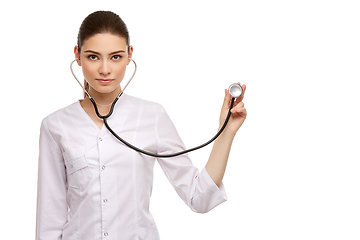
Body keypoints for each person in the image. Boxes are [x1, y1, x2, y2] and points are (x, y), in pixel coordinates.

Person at [36, 10, 247, 240]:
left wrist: (225, 133)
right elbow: (49, 222)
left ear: (129, 55)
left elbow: (199, 197)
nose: (105, 69)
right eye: (93, 56)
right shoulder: (55, 126)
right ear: (77, 55)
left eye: (115, 56)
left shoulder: (151, 116)